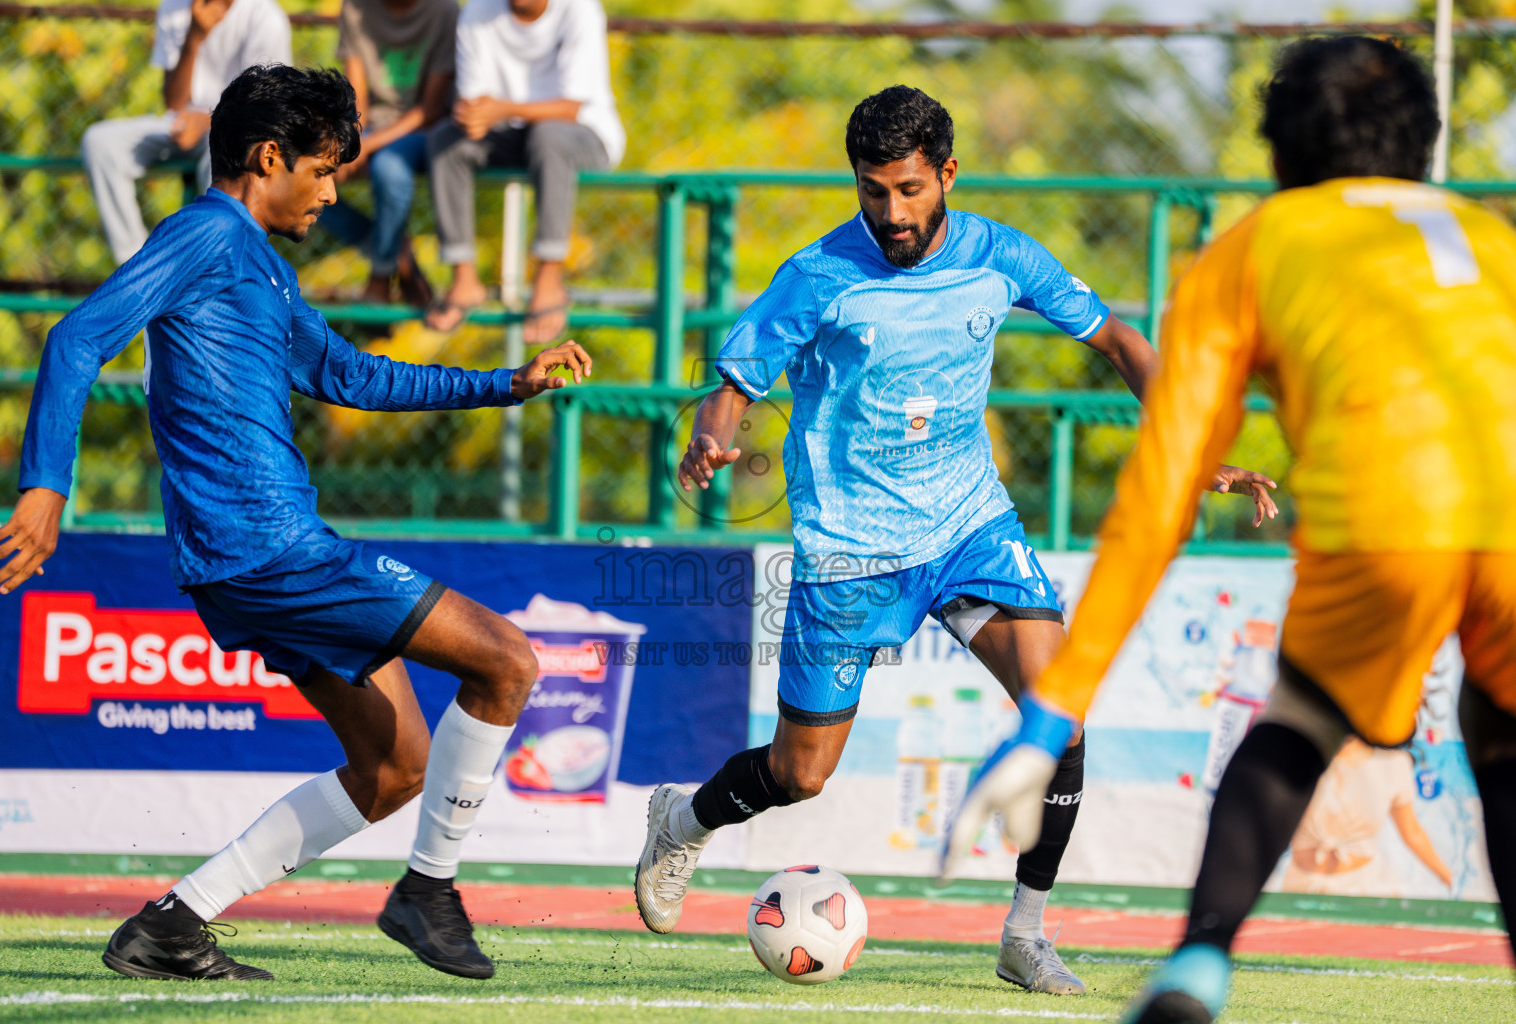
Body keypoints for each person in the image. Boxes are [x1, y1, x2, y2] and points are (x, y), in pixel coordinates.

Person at [631, 86, 1275, 996]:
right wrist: (711, 436)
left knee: (1062, 711)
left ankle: (1024, 933)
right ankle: (683, 820)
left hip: (968, 525)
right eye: (873, 191)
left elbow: (1121, 343)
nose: (892, 212)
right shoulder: (819, 274)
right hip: (850, 552)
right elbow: (734, 382)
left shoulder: (1000, 255)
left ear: (947, 175)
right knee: (800, 773)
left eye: (909, 189)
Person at [941, 37, 1516, 1024]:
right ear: (1422, 144)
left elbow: (1161, 493)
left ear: (1279, 154)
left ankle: (1198, 965)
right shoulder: (1492, 235)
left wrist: (1052, 709)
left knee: (1302, 718)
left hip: (1389, 522)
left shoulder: (1254, 247)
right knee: (1500, 729)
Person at [0, 65, 593, 982]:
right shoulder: (205, 232)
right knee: (507, 660)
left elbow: (351, 374)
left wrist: (505, 384)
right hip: (268, 550)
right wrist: (44, 487)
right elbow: (77, 337)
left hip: (255, 557)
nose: (334, 192)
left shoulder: (261, 262)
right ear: (269, 158)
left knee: (396, 767)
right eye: (324, 170)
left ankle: (171, 926)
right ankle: (428, 892)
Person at [423, 0, 625, 341]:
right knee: (445, 139)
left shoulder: (580, 9)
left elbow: (572, 107)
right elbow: (475, 103)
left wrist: (501, 108)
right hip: (511, 134)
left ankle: (549, 277)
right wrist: (471, 116)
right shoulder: (477, 12)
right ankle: (464, 277)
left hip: (585, 134)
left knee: (549, 135)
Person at [81, 0, 291, 265]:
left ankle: (215, 264)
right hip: (182, 124)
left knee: (221, 155)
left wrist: (210, 121)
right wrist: (194, 37)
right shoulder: (173, 6)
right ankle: (137, 266)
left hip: (239, 128)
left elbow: (266, 107)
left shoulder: (265, 16)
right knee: (100, 142)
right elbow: (174, 102)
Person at [320, 0, 458, 306]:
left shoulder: (445, 11)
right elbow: (356, 100)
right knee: (309, 172)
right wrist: (349, 143)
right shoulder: (355, 8)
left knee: (389, 169)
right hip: (370, 128)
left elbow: (431, 110)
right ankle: (398, 253)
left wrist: (366, 147)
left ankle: (381, 274)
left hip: (424, 130)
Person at [1281, 737, 1453, 896]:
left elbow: (1412, 832)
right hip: (1298, 886)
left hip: (1366, 888)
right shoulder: (1298, 755)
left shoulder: (1392, 762)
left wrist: (1446, 875)